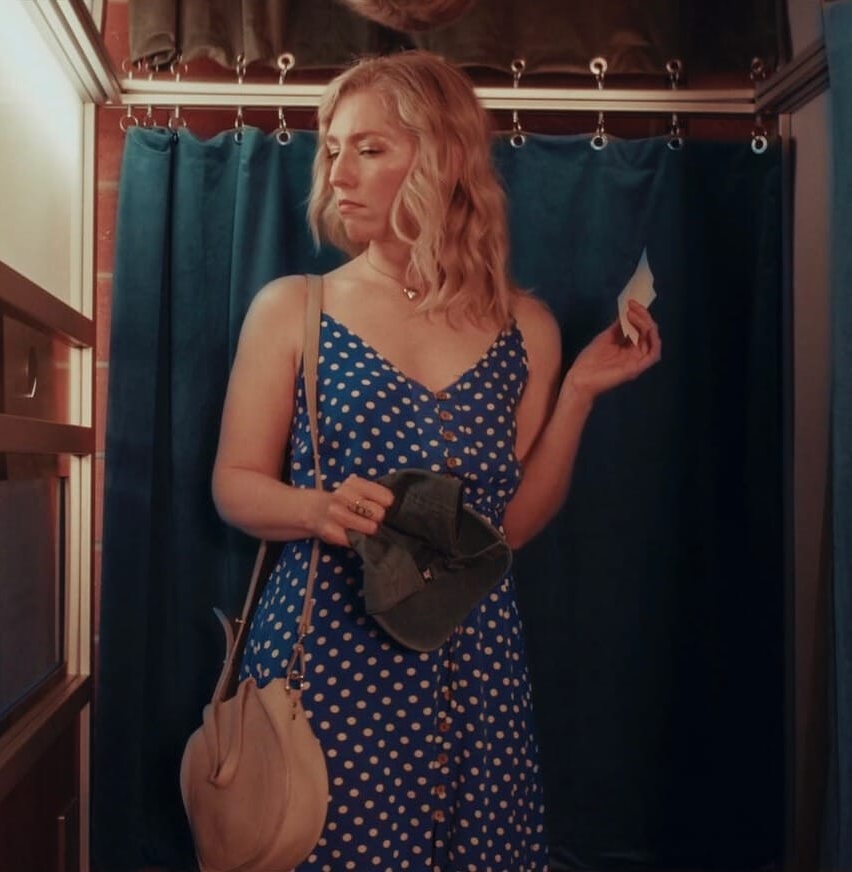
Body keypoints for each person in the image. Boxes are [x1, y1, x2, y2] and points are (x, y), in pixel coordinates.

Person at [210, 50, 661, 871]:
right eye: (332, 149)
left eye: (369, 148)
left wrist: (579, 393)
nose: (338, 174)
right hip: (326, 649)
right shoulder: (293, 308)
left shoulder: (526, 327)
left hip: (473, 654)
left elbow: (507, 528)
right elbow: (234, 485)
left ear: (444, 158)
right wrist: (316, 508)